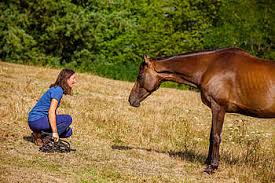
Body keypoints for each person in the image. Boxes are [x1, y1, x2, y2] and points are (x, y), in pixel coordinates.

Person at [28, 68, 76, 146]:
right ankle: (44, 138)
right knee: (68, 119)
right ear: (66, 79)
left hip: (35, 121)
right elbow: (51, 111)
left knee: (68, 131)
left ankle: (38, 134)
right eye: (73, 78)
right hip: (36, 120)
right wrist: (55, 132)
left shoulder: (57, 89)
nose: (75, 81)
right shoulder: (58, 90)